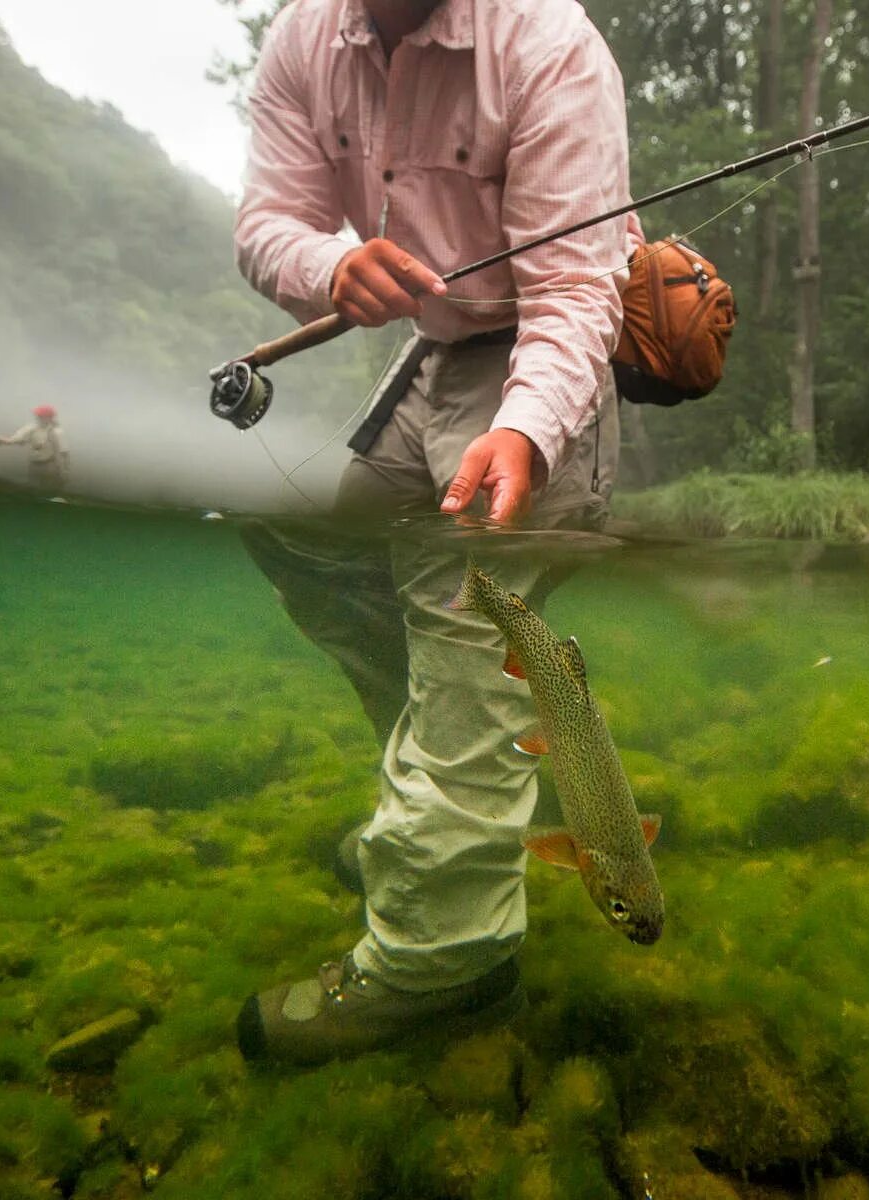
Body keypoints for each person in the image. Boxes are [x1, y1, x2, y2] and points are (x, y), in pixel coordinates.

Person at [230, 0, 640, 1066]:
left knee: (466, 644)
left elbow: (577, 291)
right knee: (323, 561)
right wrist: (329, 266)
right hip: (428, 362)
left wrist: (526, 434)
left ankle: (445, 963)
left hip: (537, 368)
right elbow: (266, 220)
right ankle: (449, 811)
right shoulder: (302, 40)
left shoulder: (549, 46)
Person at [0, 405, 69, 492]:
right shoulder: (31, 428)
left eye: (41, 416)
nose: (38, 418)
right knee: (32, 490)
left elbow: (63, 454)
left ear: (49, 418)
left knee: (49, 490)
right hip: (34, 465)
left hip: (50, 466)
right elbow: (13, 440)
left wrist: (63, 472)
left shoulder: (57, 432)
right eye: (38, 416)